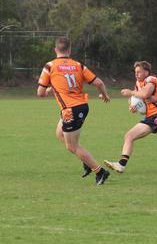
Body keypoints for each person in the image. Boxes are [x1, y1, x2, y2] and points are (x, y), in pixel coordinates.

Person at [37, 37, 111, 185]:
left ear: (55, 50)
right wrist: (105, 94)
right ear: (69, 50)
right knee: (60, 134)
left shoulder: (50, 66)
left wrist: (51, 88)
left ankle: (100, 171)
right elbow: (99, 82)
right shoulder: (78, 65)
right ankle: (87, 161)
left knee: (72, 146)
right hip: (81, 106)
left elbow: (40, 93)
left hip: (70, 110)